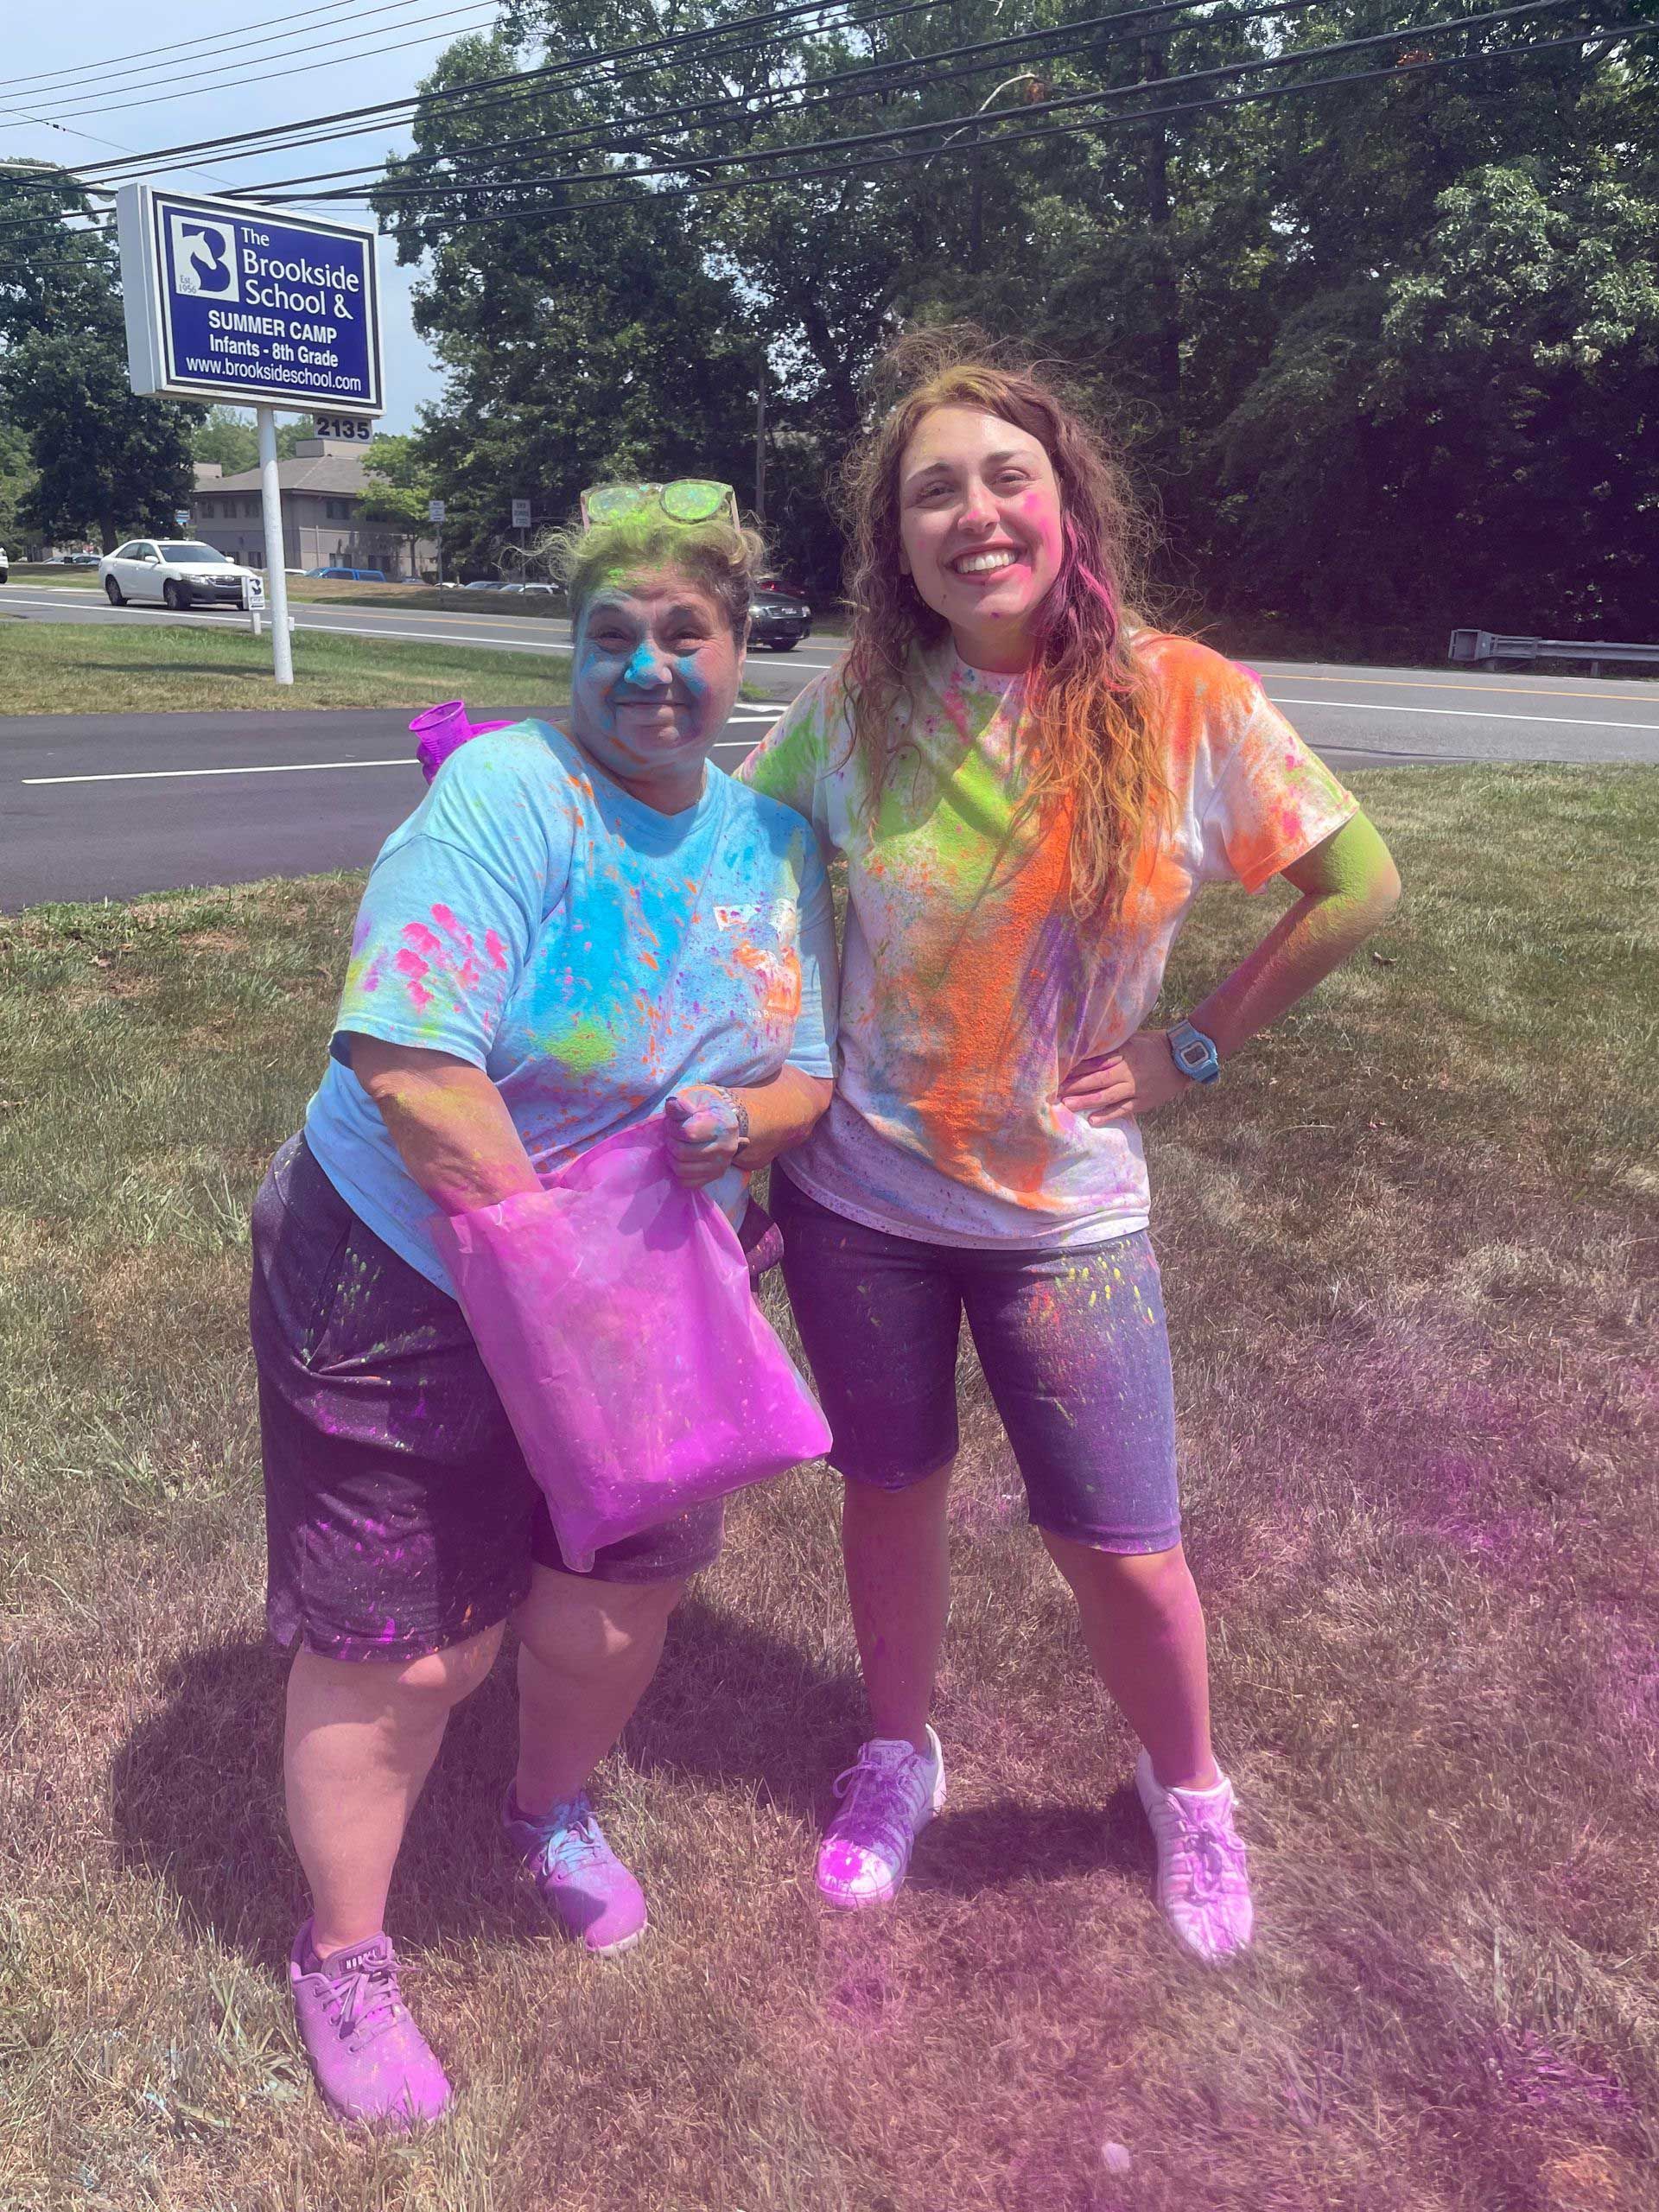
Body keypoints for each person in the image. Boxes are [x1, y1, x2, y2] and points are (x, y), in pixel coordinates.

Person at [739, 336, 1402, 1963]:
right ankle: (900, 1751)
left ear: (1065, 499)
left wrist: (1193, 1048)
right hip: (860, 1208)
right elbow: (726, 874)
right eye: (932, 494)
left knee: (1123, 1537)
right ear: (897, 545)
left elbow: (1359, 883)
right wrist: (769, 1073)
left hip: (1067, 1222)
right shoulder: (854, 711)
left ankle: (1187, 1789)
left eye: (1004, 476)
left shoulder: (1184, 699)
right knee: (885, 1491)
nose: (975, 515)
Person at [249, 484, 836, 2128]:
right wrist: (556, 1302)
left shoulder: (776, 851)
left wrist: (749, 1122)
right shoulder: (511, 794)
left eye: (687, 637)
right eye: (613, 636)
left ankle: (547, 1811)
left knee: (608, 1606)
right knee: (415, 1654)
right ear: (571, 650)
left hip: (649, 1296)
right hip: (409, 1268)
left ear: (742, 649)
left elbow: (814, 1078)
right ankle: (345, 1953)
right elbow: (412, 1063)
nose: (650, 670)